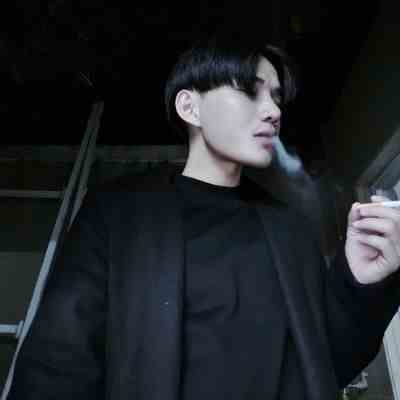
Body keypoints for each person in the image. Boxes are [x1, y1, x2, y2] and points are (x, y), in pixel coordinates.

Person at [6, 32, 400, 400]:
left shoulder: (290, 230)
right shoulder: (117, 214)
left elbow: (324, 367)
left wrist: (359, 281)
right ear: (189, 107)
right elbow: (58, 364)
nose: (272, 111)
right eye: (250, 90)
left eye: (276, 97)